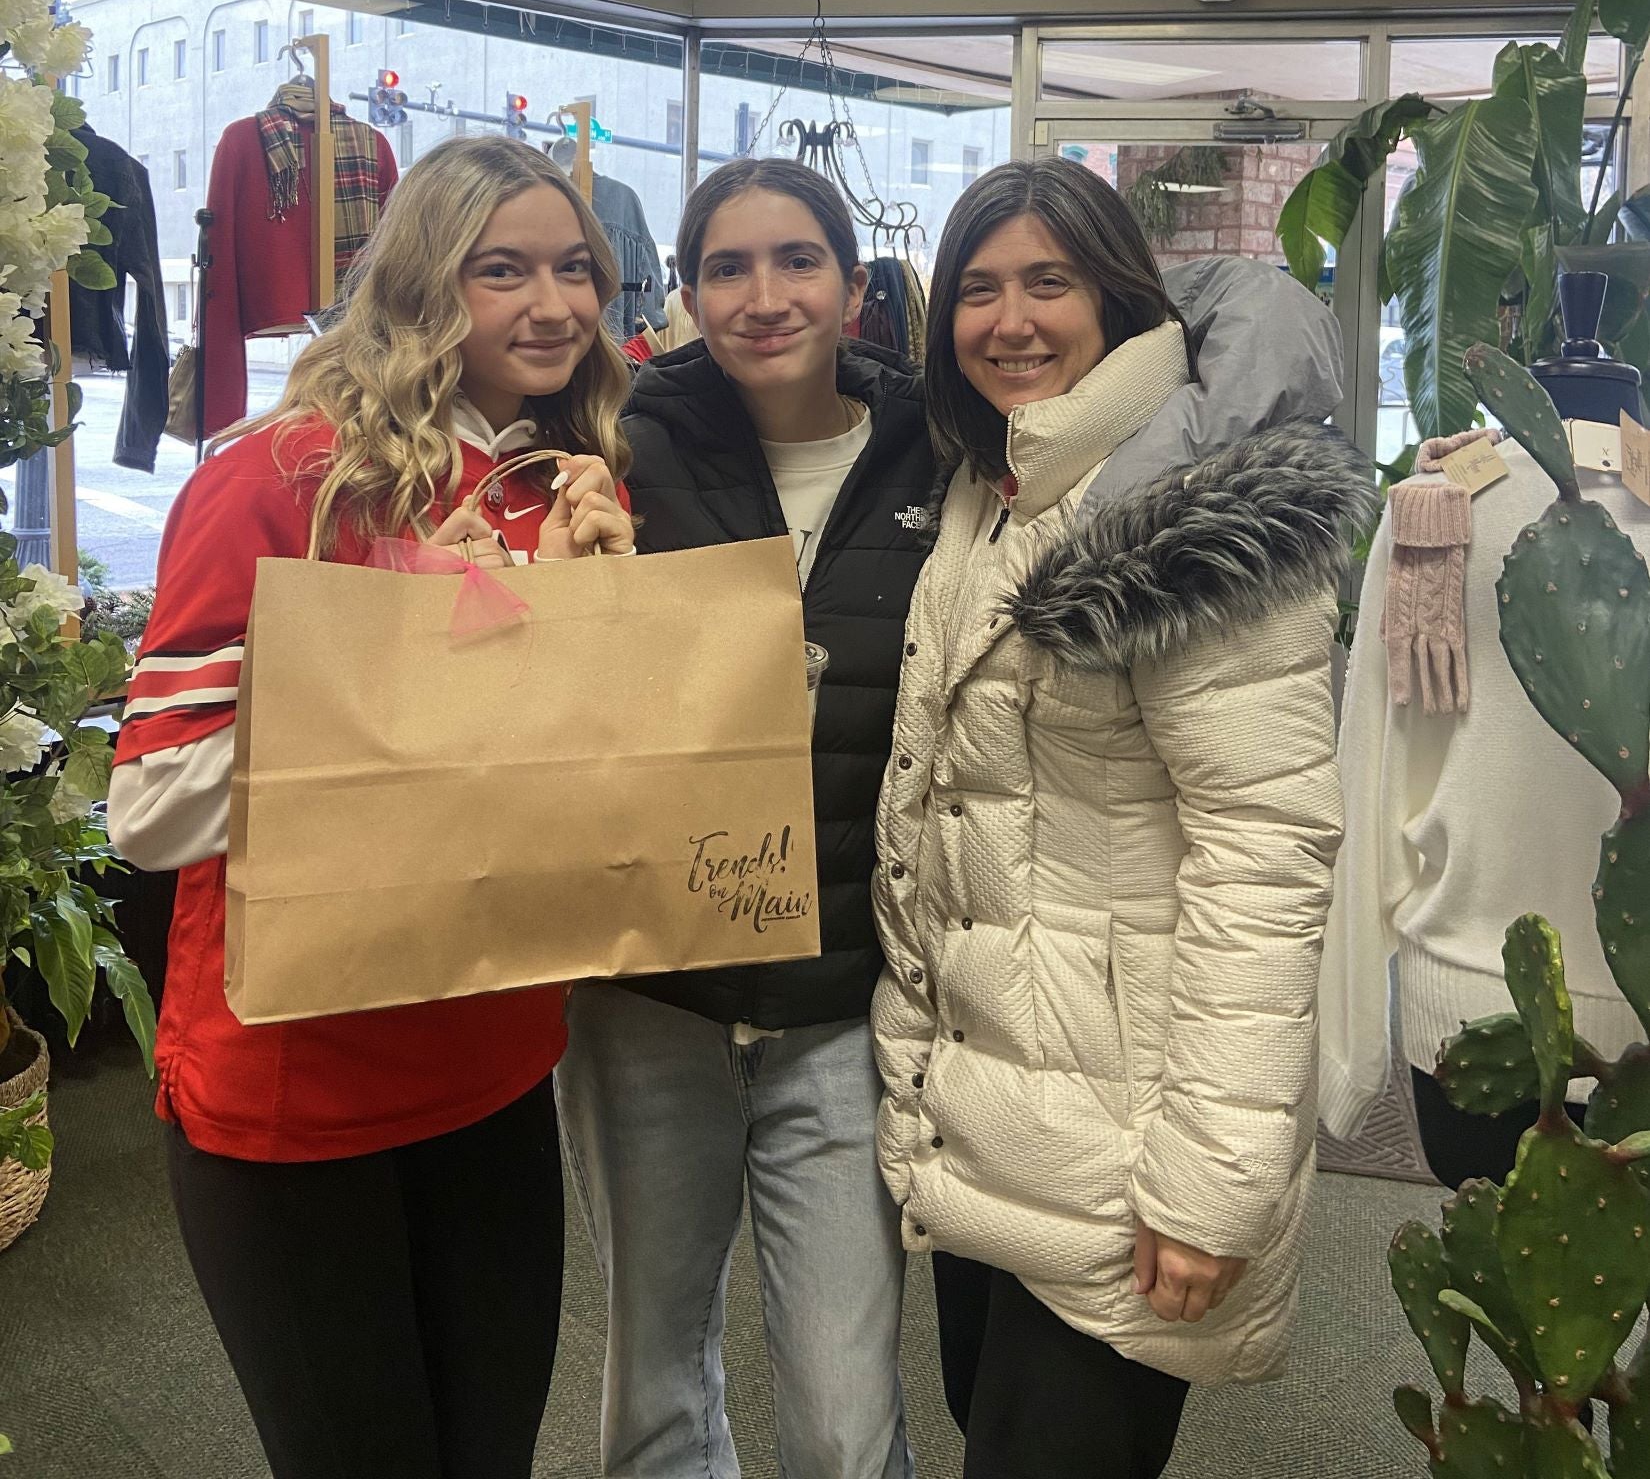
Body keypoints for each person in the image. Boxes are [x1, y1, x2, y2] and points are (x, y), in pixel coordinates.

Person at [107, 137, 634, 1479]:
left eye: (575, 268)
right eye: (501, 269)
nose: (553, 304)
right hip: (297, 1093)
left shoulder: (561, 487)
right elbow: (153, 810)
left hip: (496, 1061)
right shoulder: (280, 476)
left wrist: (613, 627)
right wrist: (397, 653)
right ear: (416, 284)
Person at [873, 159, 1371, 1479]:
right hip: (992, 1119)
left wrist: (1212, 1182)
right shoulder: (997, 488)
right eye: (977, 290)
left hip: (1124, 1132)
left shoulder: (1192, 507)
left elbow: (1263, 856)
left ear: (1121, 297)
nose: (1011, 319)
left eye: (1049, 281)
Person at [555, 156, 935, 1479]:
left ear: (850, 284)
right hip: (648, 992)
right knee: (655, 1377)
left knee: (843, 1407)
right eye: (727, 265)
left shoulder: (940, 450)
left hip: (838, 996)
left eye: (796, 261)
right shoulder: (615, 441)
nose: (762, 295)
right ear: (687, 287)